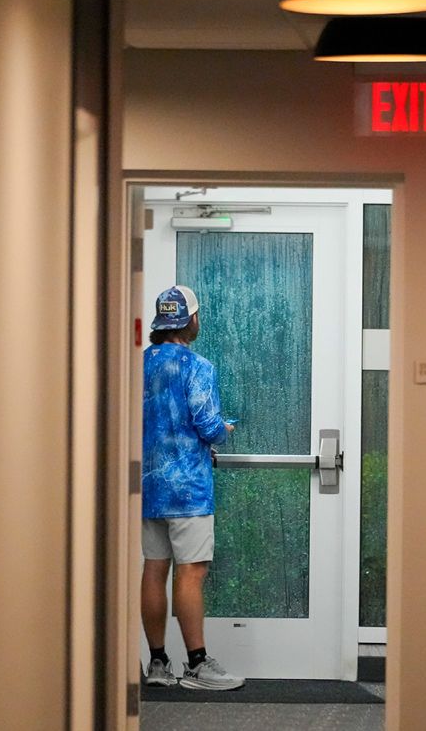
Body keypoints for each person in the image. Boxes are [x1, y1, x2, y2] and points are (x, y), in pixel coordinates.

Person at [140, 284, 245, 691]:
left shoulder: (139, 364)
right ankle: (198, 665)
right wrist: (226, 429)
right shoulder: (197, 366)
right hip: (187, 491)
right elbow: (208, 426)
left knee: (153, 569)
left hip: (148, 489)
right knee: (191, 574)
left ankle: (158, 664)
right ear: (191, 320)